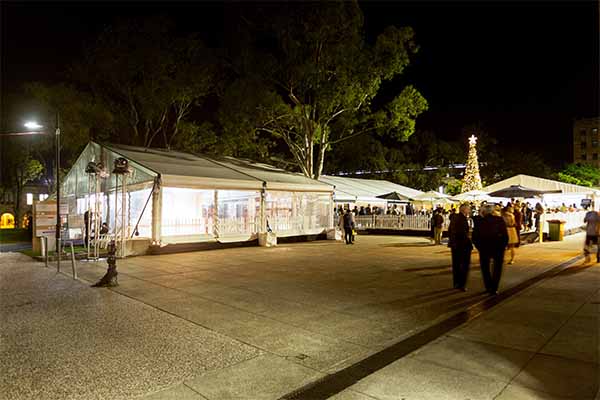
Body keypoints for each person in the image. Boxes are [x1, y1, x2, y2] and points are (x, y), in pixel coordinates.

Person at [472, 204, 508, 295]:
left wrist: (479, 247)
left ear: (483, 212)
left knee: (485, 268)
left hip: (484, 248)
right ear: (492, 211)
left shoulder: (479, 222)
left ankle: (488, 286)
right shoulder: (499, 220)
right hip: (498, 248)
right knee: (497, 268)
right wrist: (503, 246)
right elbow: (505, 235)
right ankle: (494, 287)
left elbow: (475, 237)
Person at [448, 204, 472, 291]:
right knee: (464, 266)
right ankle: (462, 284)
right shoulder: (462, 219)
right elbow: (462, 233)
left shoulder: (455, 218)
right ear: (464, 210)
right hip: (462, 245)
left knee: (456, 265)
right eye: (468, 209)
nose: (469, 211)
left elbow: (450, 230)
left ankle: (456, 283)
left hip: (455, 245)